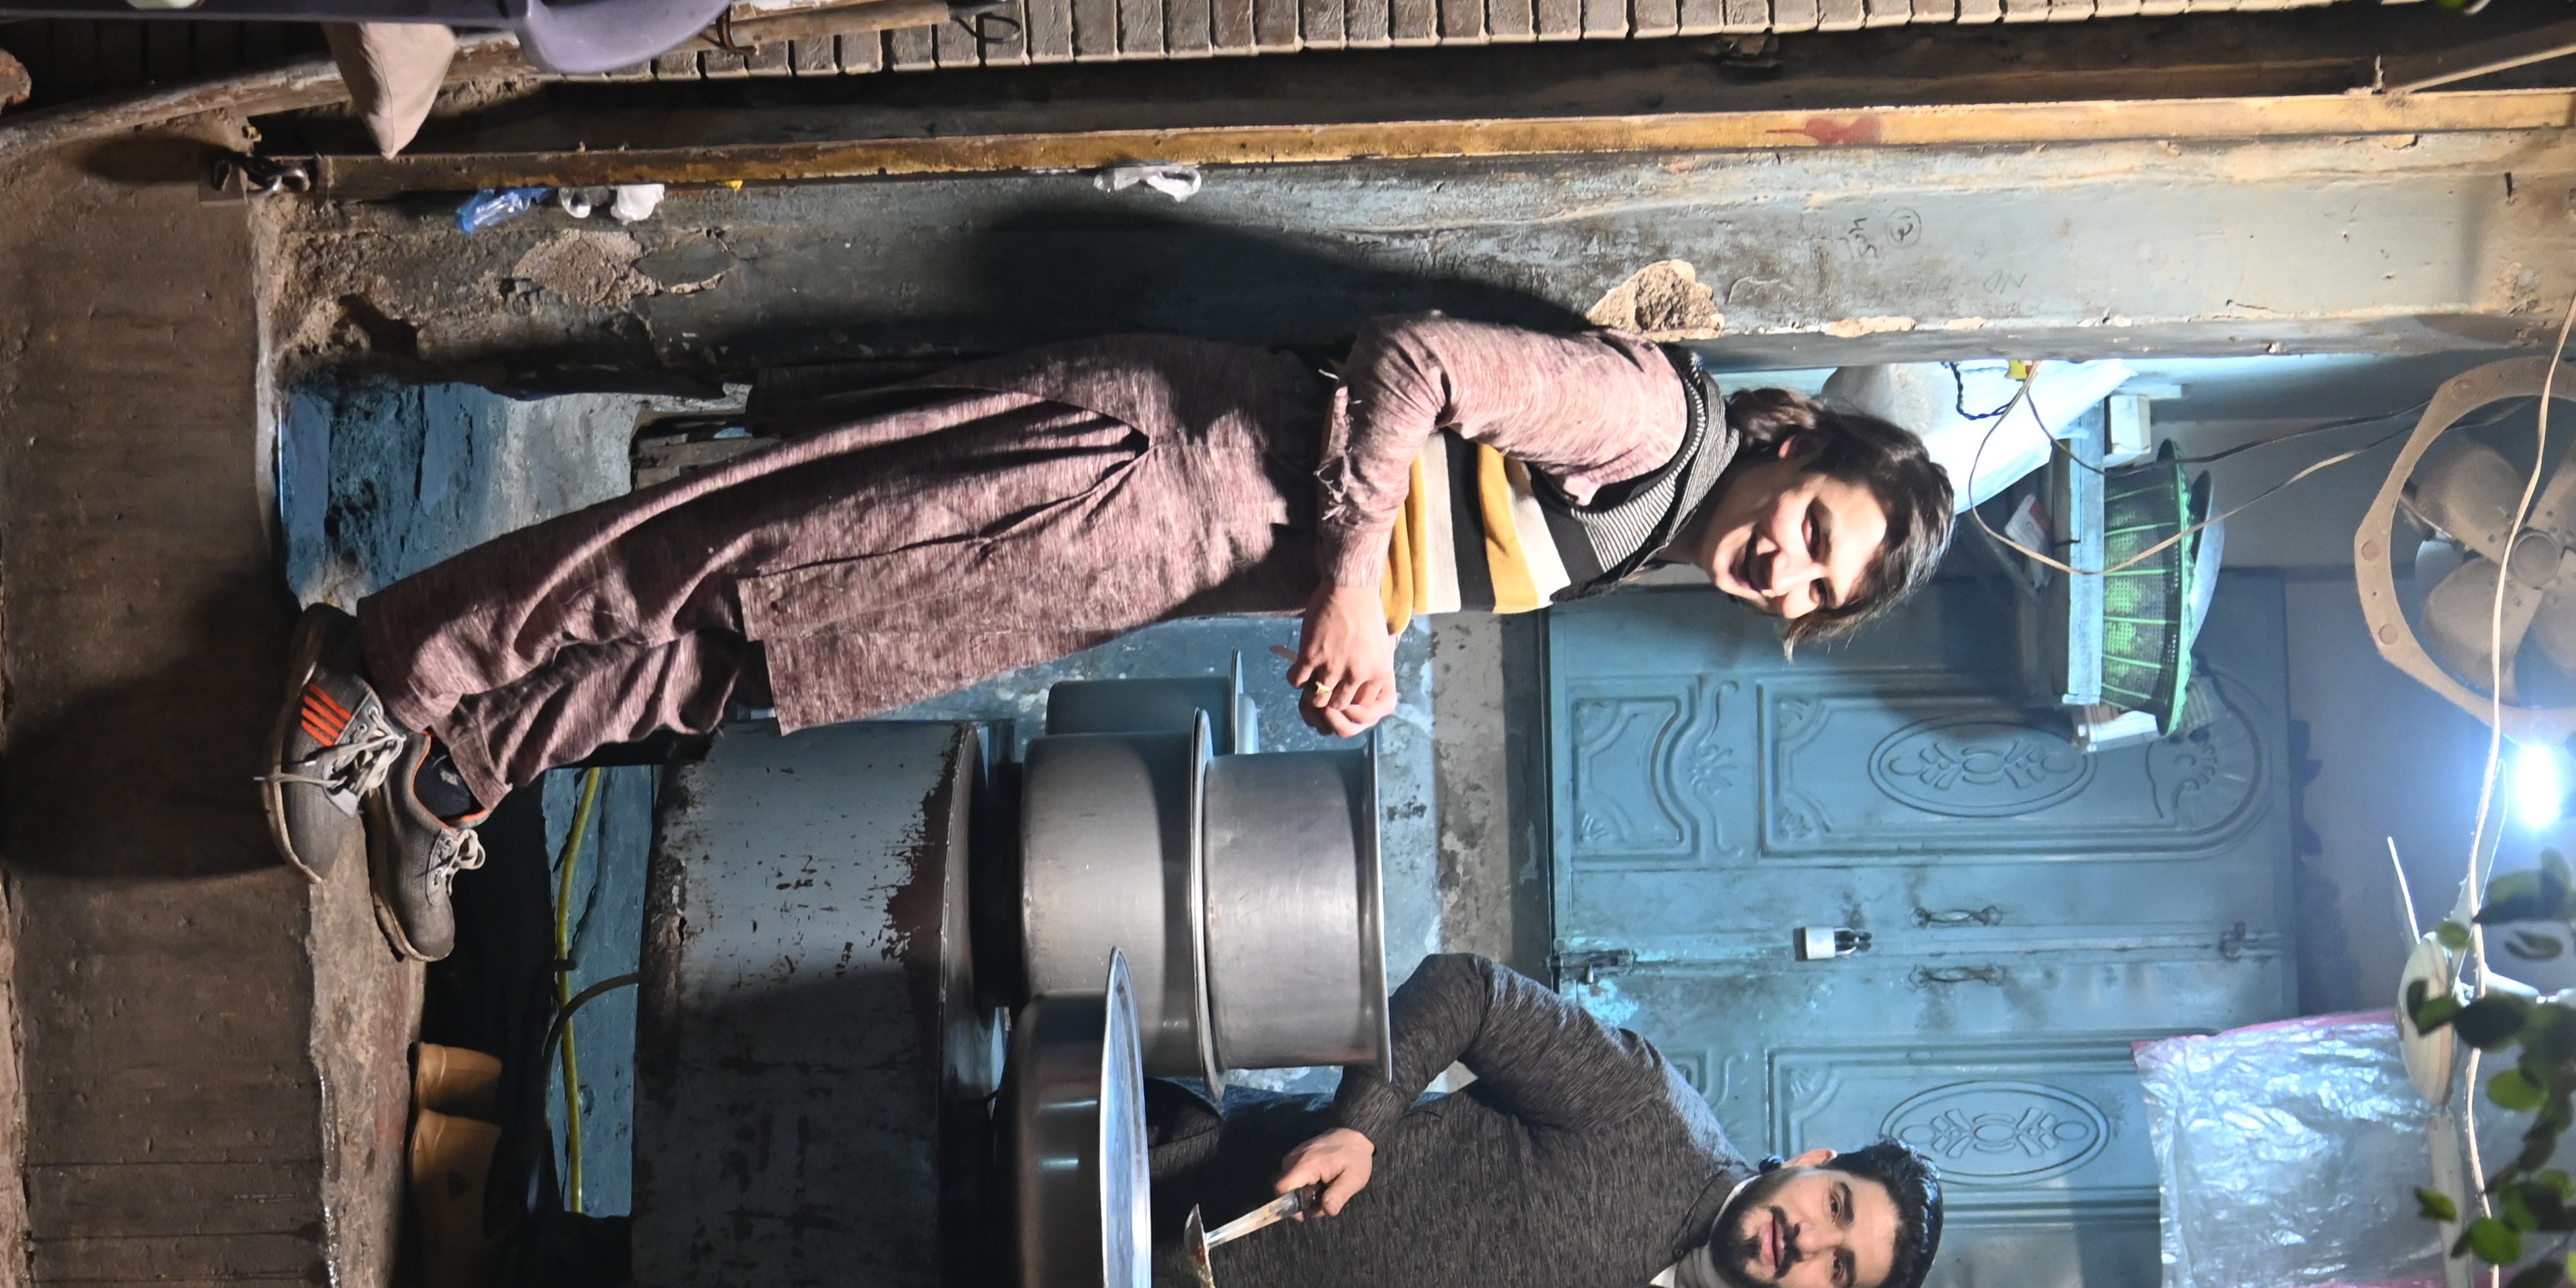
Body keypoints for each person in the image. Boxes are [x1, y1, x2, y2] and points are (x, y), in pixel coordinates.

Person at [262, 314, 1959, 958]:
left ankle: (458, 775)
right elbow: (1415, 361)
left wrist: (1367, 628)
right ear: (1796, 447)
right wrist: (1356, 574)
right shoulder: (1657, 424)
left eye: (1818, 593)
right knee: (735, 548)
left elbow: (1432, 516)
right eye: (1815, 536)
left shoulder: (1650, 530)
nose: (1786, 575)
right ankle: (379, 674)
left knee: (767, 654)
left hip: (1148, 558)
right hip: (1151, 457)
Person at [1154, 954, 1943, 1288]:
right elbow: (1470, 992)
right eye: (1835, 1204)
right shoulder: (1649, 1111)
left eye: (1839, 1263)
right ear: (1812, 1163)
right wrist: (1362, 1123)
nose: (1808, 1237)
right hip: (1198, 1196)